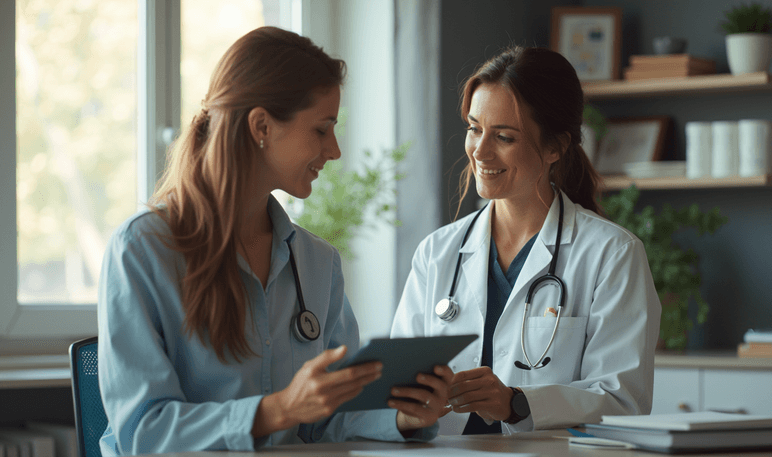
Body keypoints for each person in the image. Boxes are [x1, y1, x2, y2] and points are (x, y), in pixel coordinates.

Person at [97, 26, 451, 455]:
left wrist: (401, 417)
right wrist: (279, 410)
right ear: (262, 125)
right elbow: (144, 433)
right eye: (321, 129)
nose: (334, 150)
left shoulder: (318, 263)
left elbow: (330, 416)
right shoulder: (142, 250)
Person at [390, 46, 661, 435]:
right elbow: (397, 391)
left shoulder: (611, 255)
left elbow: (623, 402)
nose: (480, 151)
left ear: (555, 147)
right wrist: (408, 410)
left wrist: (517, 404)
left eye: (503, 136)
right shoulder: (437, 253)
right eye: (474, 128)